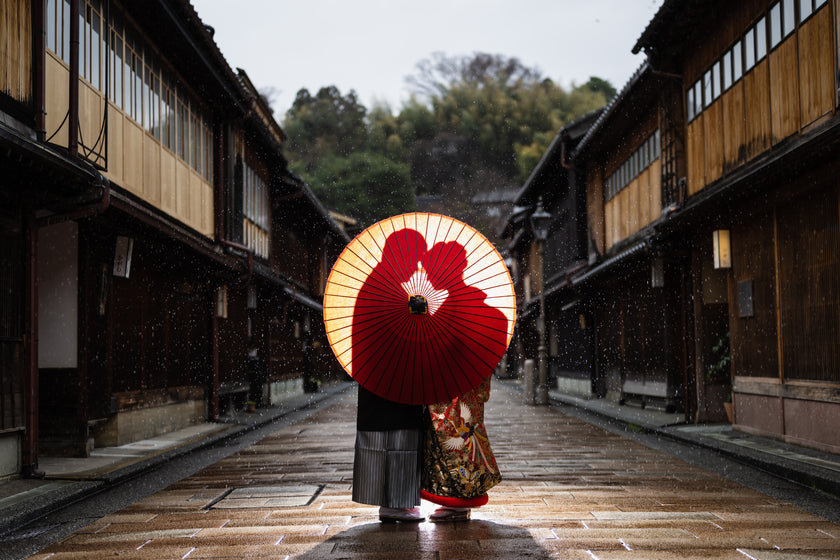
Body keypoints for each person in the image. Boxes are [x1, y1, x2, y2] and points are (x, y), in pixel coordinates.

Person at [419, 241, 506, 522]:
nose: (428, 275)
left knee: (456, 436)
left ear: (448, 270)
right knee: (460, 436)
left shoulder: (457, 305)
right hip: (466, 376)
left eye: (431, 269)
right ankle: (459, 496)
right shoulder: (460, 303)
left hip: (458, 380)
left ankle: (460, 498)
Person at [351, 228, 427, 522]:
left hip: (377, 373)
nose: (418, 265)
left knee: (386, 438)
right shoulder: (392, 290)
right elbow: (405, 332)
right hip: (394, 373)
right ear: (402, 255)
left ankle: (393, 500)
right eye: (416, 258)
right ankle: (396, 503)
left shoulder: (377, 284)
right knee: (399, 439)